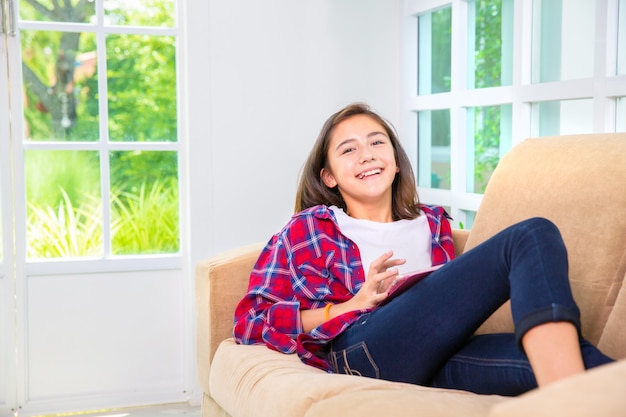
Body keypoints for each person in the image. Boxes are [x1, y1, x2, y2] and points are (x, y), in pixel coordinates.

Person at [233, 103, 613, 396]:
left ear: (395, 162)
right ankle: (567, 406)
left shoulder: (432, 223)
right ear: (329, 176)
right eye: (349, 150)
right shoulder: (313, 228)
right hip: (363, 350)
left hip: (435, 358)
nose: (366, 154)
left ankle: (573, 400)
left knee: (580, 361)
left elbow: (443, 308)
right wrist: (350, 306)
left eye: (377, 142)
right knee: (532, 234)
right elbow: (250, 319)